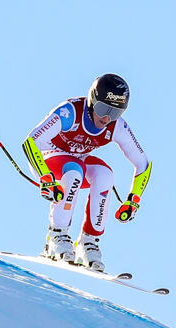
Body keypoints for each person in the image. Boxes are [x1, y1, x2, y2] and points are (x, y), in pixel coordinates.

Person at [22, 74, 152, 272]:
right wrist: (45, 177)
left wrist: (134, 200)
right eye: (103, 109)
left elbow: (142, 163)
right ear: (92, 101)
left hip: (77, 160)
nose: (107, 118)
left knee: (105, 175)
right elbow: (32, 141)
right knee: (75, 171)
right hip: (48, 158)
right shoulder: (70, 113)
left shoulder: (117, 126)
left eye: (115, 112)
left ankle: (88, 242)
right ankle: (57, 235)